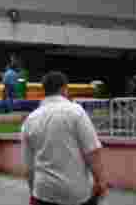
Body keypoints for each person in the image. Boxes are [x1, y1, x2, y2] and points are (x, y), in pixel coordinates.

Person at [22, 71, 108, 205]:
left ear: (44, 91)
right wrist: (100, 181)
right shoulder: (76, 112)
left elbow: (29, 166)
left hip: (43, 192)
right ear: (64, 89)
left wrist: (34, 191)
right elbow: (92, 151)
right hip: (75, 192)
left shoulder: (30, 119)